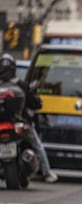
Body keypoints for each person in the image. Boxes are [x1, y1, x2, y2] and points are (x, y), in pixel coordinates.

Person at [0, 54, 58, 183]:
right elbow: (35, 103)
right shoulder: (21, 85)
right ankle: (46, 172)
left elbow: (34, 102)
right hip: (17, 123)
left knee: (36, 143)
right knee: (37, 145)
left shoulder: (21, 86)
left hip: (11, 124)